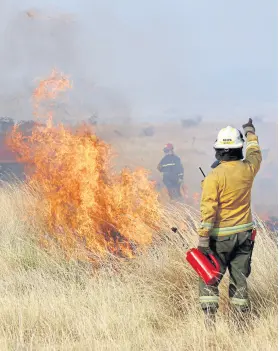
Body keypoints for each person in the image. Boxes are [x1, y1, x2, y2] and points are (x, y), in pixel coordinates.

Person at [197, 119, 262, 328]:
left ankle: (209, 323)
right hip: (244, 235)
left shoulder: (213, 177)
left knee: (209, 276)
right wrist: (250, 132)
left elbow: (208, 209)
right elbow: (255, 153)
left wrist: (203, 239)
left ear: (219, 151)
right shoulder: (248, 169)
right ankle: (241, 324)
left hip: (220, 237)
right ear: (238, 148)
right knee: (239, 278)